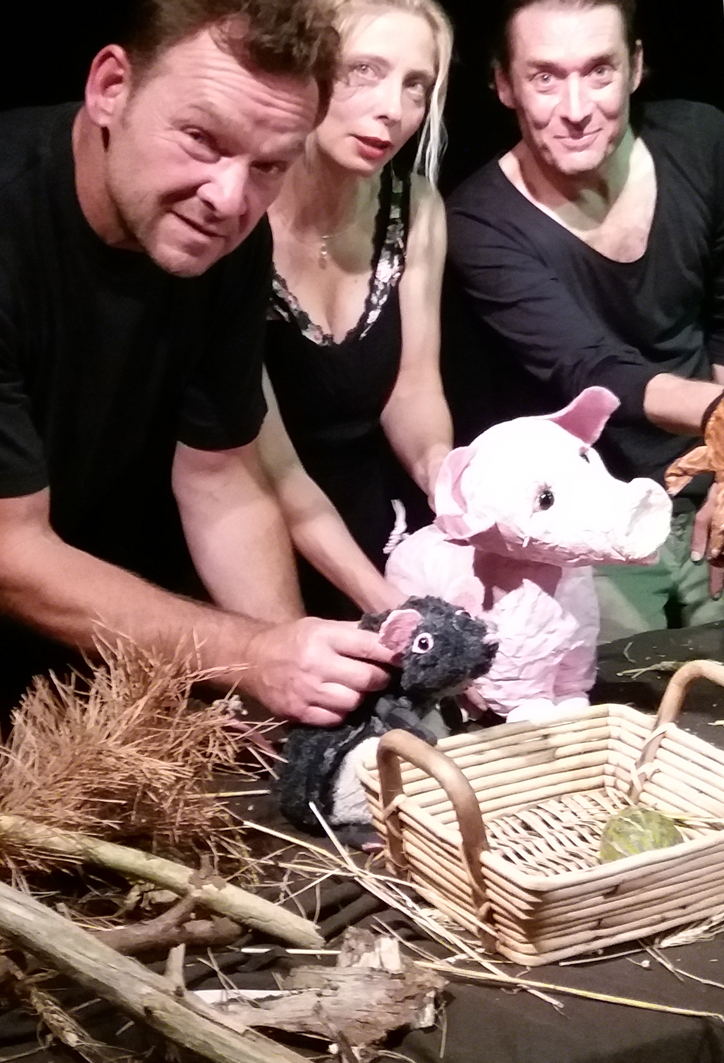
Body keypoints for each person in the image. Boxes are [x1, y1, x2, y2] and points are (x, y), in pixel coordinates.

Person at [0, 0, 397, 725]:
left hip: (68, 627)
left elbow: (220, 479)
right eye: (202, 138)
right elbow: (5, 559)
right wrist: (252, 657)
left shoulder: (229, 241)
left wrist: (291, 684)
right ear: (111, 87)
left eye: (269, 165)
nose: (229, 198)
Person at [446, 0, 724, 642]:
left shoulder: (700, 139)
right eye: (545, 77)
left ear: (635, 67)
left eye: (599, 71)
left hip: (711, 496)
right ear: (504, 84)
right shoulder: (479, 220)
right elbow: (594, 370)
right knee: (619, 693)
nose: (575, 108)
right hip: (583, 525)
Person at [259, 0, 454, 619]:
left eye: (416, 85)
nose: (393, 108)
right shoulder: (239, 209)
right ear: (307, 67)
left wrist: (448, 479)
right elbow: (270, 469)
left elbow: (413, 386)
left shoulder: (415, 205)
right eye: (363, 71)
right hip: (253, 544)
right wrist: (386, 608)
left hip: (372, 527)